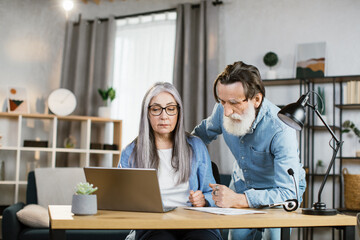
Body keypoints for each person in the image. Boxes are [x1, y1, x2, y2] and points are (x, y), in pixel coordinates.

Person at [192, 61, 306, 240]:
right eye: (221, 101)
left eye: (234, 103)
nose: (227, 111)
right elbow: (199, 136)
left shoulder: (281, 129)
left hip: (278, 192)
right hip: (242, 184)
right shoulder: (223, 109)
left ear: (257, 99)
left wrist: (238, 200)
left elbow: (288, 193)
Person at [119, 82, 222, 240]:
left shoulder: (196, 146)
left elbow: (213, 194)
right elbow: (121, 198)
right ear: (147, 113)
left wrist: (204, 200)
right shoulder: (131, 152)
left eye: (170, 108)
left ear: (178, 113)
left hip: (195, 224)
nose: (164, 116)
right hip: (153, 225)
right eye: (156, 109)